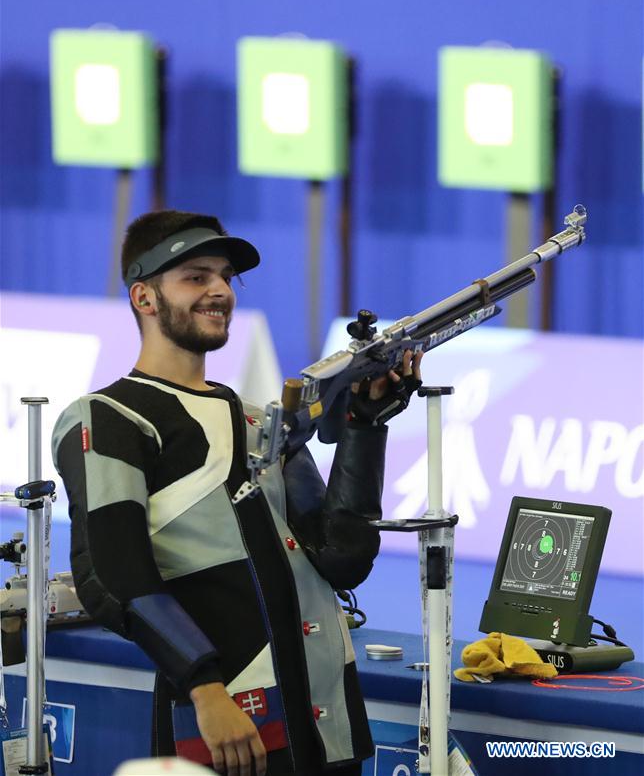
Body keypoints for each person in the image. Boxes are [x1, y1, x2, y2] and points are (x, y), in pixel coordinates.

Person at [52, 211, 422, 776]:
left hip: (329, 722)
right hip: (230, 722)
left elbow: (342, 558)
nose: (219, 290)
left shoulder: (259, 422)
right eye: (195, 276)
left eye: (224, 276)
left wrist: (365, 427)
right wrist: (205, 690)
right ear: (144, 297)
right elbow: (115, 579)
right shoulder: (109, 418)